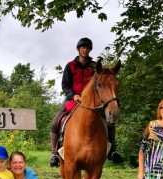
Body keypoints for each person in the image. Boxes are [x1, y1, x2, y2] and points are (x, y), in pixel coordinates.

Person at [49, 37, 122, 167]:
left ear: (90, 50)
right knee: (55, 122)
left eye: (87, 48)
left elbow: (102, 83)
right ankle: (54, 154)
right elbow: (65, 85)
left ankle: (112, 151)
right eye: (83, 47)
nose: (85, 50)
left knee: (109, 122)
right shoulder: (70, 66)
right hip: (73, 98)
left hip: (92, 102)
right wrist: (73, 95)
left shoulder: (94, 67)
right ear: (78, 49)